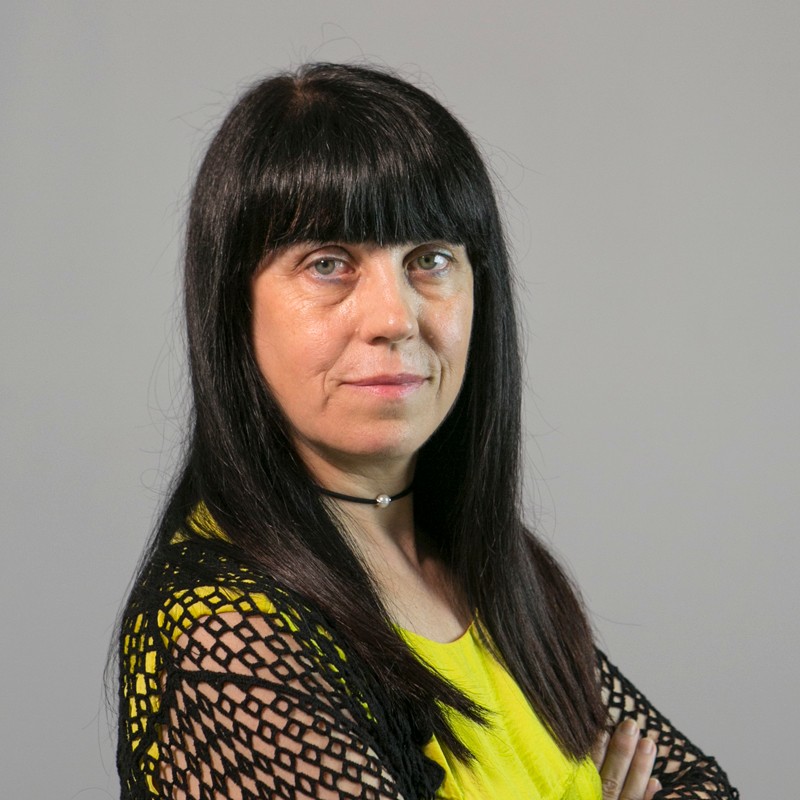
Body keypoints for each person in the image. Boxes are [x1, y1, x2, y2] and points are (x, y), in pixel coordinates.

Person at [116, 63, 738, 800]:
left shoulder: (493, 571)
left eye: (430, 260)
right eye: (328, 264)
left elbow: (700, 783)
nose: (394, 318)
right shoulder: (222, 632)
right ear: (233, 307)